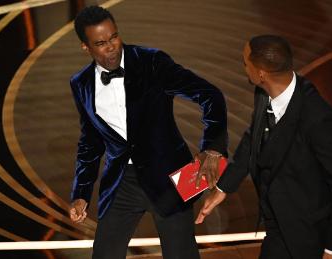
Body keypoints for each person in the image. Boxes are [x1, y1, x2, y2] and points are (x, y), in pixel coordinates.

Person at [67, 5, 227, 259]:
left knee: (181, 254)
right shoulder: (81, 83)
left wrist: (213, 147)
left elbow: (210, 95)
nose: (111, 47)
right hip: (121, 183)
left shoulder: (152, 62)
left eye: (114, 37)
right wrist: (81, 193)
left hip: (170, 177)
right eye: (100, 43)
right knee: (104, 254)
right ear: (85, 47)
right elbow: (90, 142)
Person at [195, 35, 332, 259]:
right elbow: (253, 138)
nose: (243, 67)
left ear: (261, 74)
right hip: (277, 223)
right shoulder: (264, 93)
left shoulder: (320, 119)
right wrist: (224, 188)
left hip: (307, 233)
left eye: (245, 63)